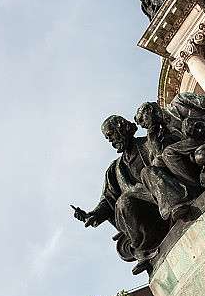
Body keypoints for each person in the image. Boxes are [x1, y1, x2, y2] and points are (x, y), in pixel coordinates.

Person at [72, 114, 193, 274]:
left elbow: (170, 157)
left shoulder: (149, 142)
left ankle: (175, 208)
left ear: (121, 129)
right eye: (107, 138)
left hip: (171, 194)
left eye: (111, 135)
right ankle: (146, 252)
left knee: (147, 172)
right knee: (123, 202)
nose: (111, 141)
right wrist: (92, 215)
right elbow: (108, 199)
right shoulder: (116, 169)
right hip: (149, 216)